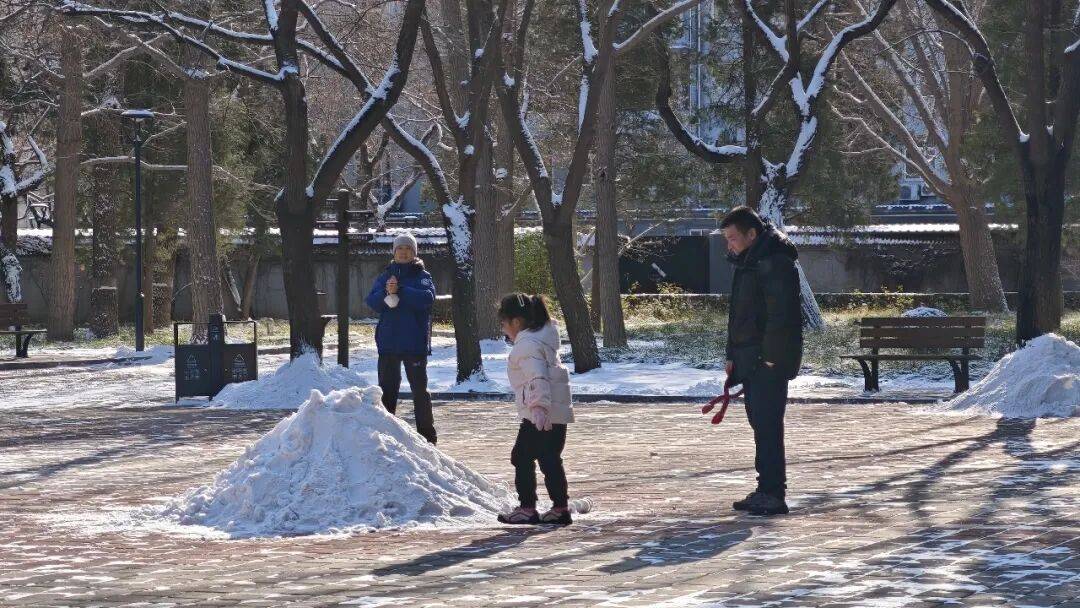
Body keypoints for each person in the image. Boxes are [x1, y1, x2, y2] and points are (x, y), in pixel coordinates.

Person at [720, 206, 803, 516]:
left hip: (766, 361)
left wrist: (770, 358)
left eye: (732, 238)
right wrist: (732, 354)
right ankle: (765, 487)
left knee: (768, 425)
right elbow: (739, 316)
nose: (728, 245)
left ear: (751, 235)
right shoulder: (749, 262)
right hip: (751, 359)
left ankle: (773, 492)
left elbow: (782, 316)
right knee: (761, 424)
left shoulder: (773, 263)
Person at [495, 293, 576, 526]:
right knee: (550, 459)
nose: (503, 330)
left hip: (539, 412)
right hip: (556, 411)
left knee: (521, 456)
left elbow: (537, 377)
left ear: (516, 322)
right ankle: (560, 508)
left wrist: (539, 407)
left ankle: (527, 508)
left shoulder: (527, 345)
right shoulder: (543, 339)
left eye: (504, 324)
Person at [365, 232, 438, 444]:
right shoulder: (386, 275)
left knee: (419, 392)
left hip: (414, 343)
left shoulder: (422, 275)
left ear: (414, 253)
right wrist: (386, 294)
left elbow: (427, 298)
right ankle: (387, 435)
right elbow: (372, 301)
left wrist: (401, 290)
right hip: (388, 343)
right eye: (400, 249)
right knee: (387, 390)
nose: (404, 252)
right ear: (394, 252)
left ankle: (427, 436)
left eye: (408, 249)